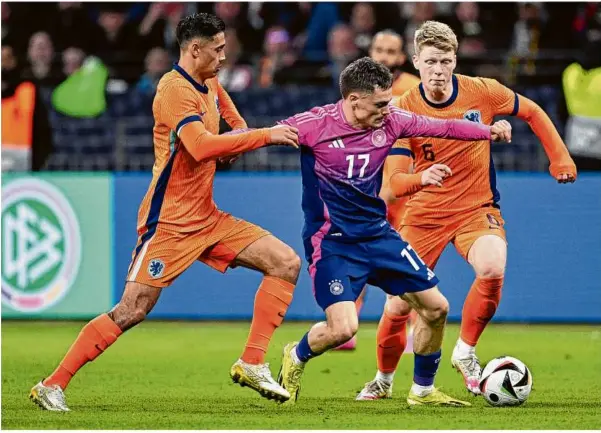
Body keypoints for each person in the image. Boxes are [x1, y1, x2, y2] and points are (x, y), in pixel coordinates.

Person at [29, 12, 302, 412]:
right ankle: (52, 384)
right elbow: (202, 147)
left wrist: (240, 131)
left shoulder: (206, 80)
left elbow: (226, 108)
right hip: (170, 223)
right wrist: (264, 136)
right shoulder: (173, 90)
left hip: (207, 217)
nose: (225, 56)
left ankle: (252, 361)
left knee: (285, 262)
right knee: (131, 310)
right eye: (219, 48)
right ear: (195, 49)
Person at [356, 20, 577, 401]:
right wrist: (421, 178)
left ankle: (465, 352)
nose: (438, 71)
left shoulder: (482, 92)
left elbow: (535, 112)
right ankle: (383, 379)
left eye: (445, 61)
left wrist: (560, 157)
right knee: (396, 306)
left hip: (476, 208)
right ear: (415, 62)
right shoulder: (401, 111)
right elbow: (394, 184)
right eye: (430, 62)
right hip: (423, 216)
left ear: (455, 59)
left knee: (493, 265)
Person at [275, 57, 512, 406]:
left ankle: (422, 390)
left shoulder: (393, 120)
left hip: (378, 235)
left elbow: (442, 127)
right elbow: (264, 135)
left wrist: (486, 131)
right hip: (334, 242)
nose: (390, 108)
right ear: (355, 100)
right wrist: (225, 143)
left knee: (436, 308)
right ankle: (295, 356)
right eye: (381, 103)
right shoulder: (315, 124)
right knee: (344, 329)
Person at [335, 30, 421, 352]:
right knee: (355, 259)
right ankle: (346, 327)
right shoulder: (356, 90)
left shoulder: (413, 89)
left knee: (406, 261)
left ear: (401, 57)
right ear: (370, 50)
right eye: (379, 49)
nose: (384, 56)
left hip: (403, 192)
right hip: (365, 190)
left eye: (391, 51)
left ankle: (412, 329)